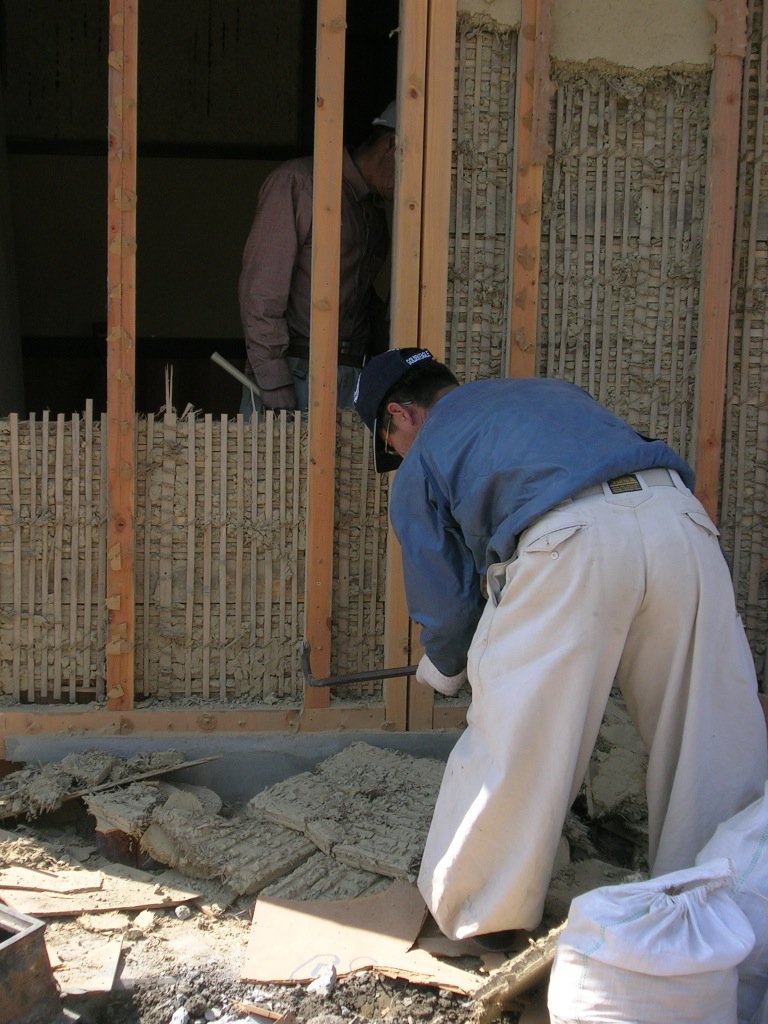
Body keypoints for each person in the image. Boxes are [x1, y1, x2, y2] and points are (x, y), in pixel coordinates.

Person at [353, 346, 768, 944]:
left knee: (518, 741)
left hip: (570, 542)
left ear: (401, 414)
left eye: (389, 441)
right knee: (711, 737)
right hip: (680, 522)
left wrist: (445, 668)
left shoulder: (427, 453)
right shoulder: (550, 393)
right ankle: (726, 911)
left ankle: (481, 917)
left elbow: (444, 597)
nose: (398, 454)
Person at [238, 102, 397, 414]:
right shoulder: (299, 183)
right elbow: (261, 289)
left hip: (354, 375)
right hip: (296, 369)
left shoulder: (374, 215)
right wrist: (273, 378)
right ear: (392, 144)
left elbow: (360, 299)